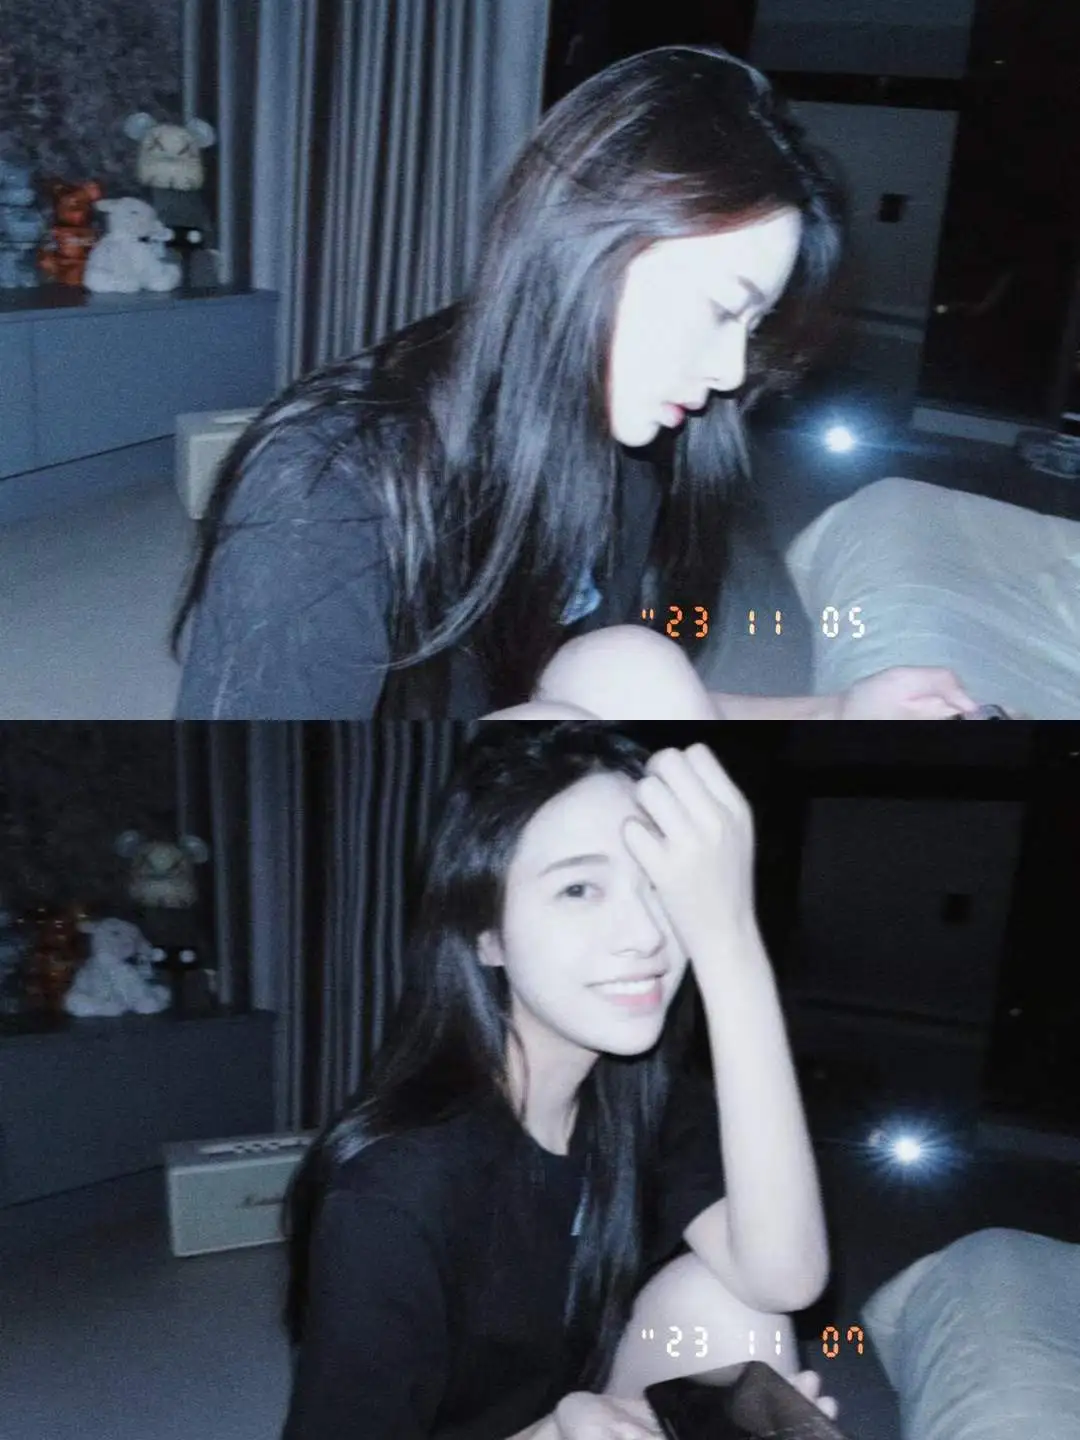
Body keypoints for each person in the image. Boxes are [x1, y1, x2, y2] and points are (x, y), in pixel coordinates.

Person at [169, 43, 987, 721]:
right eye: (718, 308)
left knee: (632, 659)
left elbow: (611, 692)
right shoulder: (325, 487)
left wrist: (834, 709)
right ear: (585, 245)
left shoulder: (622, 451)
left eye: (751, 325)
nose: (732, 372)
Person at [279, 725, 840, 1439]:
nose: (646, 934)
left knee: (736, 1315)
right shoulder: (393, 1189)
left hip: (574, 1408)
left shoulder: (640, 1098)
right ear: (485, 934)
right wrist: (559, 1433)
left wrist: (731, 943)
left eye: (662, 886)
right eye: (579, 888)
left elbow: (785, 1278)